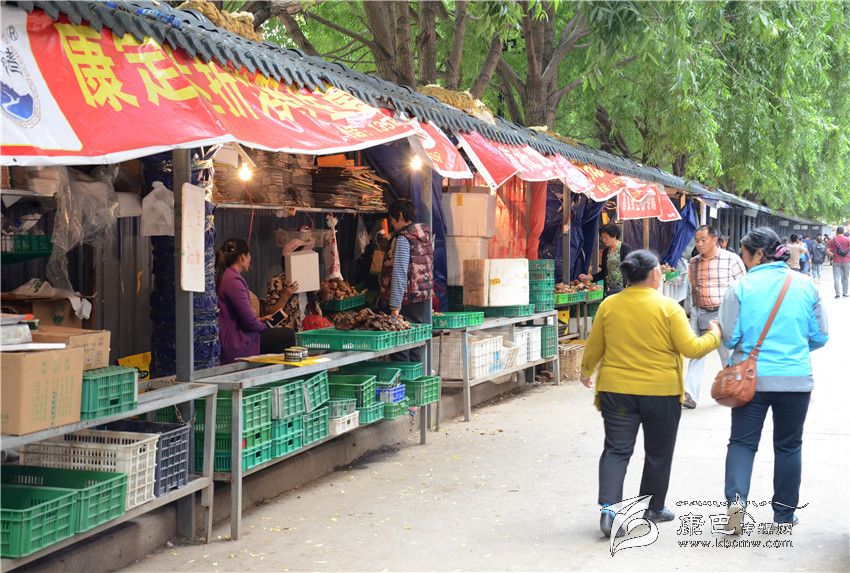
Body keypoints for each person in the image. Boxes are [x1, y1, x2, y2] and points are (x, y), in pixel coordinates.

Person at [581, 250, 721, 537]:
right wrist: (715, 334)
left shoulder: (609, 305)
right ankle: (653, 508)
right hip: (661, 394)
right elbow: (691, 349)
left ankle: (609, 512)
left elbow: (595, 345)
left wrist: (586, 371)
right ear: (656, 274)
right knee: (658, 451)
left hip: (617, 392)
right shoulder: (668, 308)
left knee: (616, 450)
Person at [719, 227, 828, 532]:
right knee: (789, 446)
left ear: (757, 254)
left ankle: (736, 503)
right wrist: (793, 349)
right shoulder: (806, 285)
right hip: (795, 379)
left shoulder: (740, 287)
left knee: (742, 443)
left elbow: (729, 337)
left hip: (749, 381)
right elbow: (820, 335)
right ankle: (783, 516)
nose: (743, 260)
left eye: (744, 254)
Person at [683, 225, 746, 409]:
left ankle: (734, 390)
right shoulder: (694, 263)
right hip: (701, 313)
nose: (699, 244)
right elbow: (693, 288)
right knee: (697, 353)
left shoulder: (731, 259)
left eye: (703, 240)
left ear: (714, 240)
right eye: (697, 240)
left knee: (727, 355)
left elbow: (743, 288)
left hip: (725, 313)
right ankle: (689, 394)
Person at [216, 238, 296, 365]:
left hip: (234, 335)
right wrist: (265, 325)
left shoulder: (227, 276)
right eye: (249, 255)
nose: (250, 259)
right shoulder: (233, 281)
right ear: (243, 257)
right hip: (236, 341)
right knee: (288, 335)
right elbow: (249, 323)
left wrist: (260, 320)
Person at [379, 198, 434, 361]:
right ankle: (416, 376)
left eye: (392, 220)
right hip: (421, 298)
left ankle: (404, 378)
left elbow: (400, 273)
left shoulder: (404, 238)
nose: (392, 225)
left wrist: (395, 308)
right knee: (415, 343)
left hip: (406, 301)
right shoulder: (424, 235)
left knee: (401, 347)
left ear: (401, 216)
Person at [579, 223, 633, 297]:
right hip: (609, 290)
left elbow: (632, 269)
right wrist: (588, 277)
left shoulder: (625, 249)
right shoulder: (605, 252)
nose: (604, 240)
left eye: (606, 237)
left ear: (614, 236)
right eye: (602, 237)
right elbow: (604, 273)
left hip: (624, 290)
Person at [826, 227, 850, 298]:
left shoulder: (832, 240)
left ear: (836, 232)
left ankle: (837, 294)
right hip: (846, 261)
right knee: (845, 277)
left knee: (836, 278)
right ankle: (845, 293)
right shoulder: (848, 239)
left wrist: (832, 255)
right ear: (843, 232)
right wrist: (847, 250)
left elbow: (827, 251)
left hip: (836, 261)